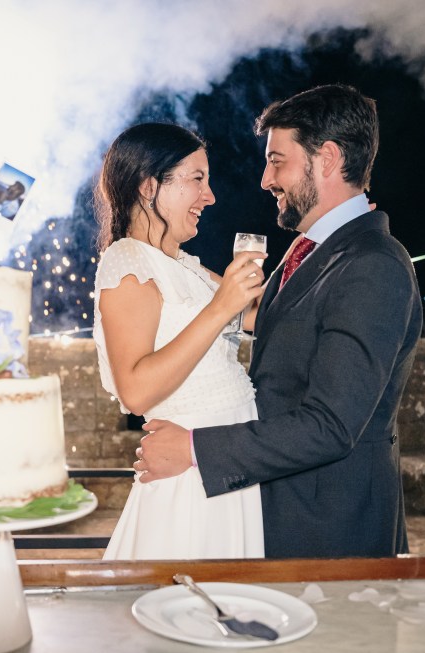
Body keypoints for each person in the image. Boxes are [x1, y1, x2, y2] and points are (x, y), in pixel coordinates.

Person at [134, 84, 424, 559]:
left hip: (328, 533)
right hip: (278, 512)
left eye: (277, 161)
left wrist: (194, 449)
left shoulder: (373, 264)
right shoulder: (306, 250)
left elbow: (330, 425)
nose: (266, 179)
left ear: (327, 159)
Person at [94, 122, 268, 559]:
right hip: (191, 472)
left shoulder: (184, 264)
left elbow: (256, 315)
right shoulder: (127, 262)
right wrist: (220, 307)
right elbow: (135, 390)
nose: (209, 196)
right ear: (149, 186)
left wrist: (322, 246)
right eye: (197, 179)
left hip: (225, 459)